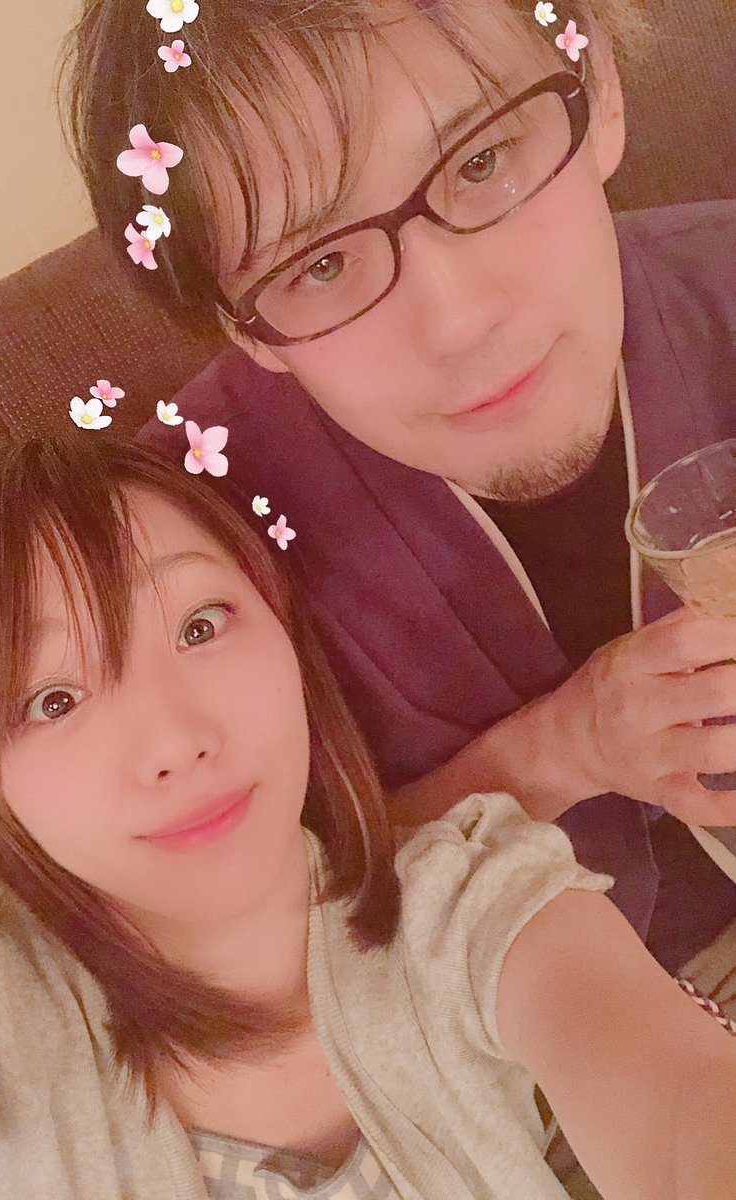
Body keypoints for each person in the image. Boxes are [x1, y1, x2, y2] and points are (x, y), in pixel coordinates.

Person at [0, 435, 734, 1200]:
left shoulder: (464, 897)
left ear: (286, 634)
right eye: (54, 700)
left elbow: (678, 1112)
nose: (173, 742)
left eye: (199, 627)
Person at [58, 0, 736, 997]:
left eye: (480, 161)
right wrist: (560, 748)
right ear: (242, 329)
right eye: (320, 264)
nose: (458, 322)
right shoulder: (176, 539)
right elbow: (218, 927)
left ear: (598, 94)